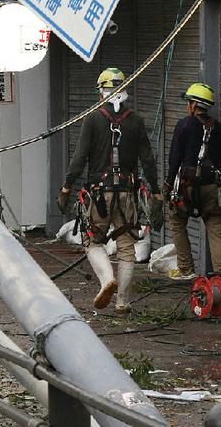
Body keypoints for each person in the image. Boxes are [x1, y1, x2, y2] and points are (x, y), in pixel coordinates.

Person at [57, 67, 162, 313]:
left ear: (100, 91)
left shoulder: (93, 119)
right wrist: (156, 192)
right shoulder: (135, 120)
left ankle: (106, 281)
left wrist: (66, 186)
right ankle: (122, 302)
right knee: (127, 246)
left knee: (92, 241)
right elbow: (147, 159)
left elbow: (80, 157)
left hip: (99, 194)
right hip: (127, 193)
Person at [164, 83, 221, 280]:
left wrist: (167, 185)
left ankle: (186, 269)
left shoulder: (184, 124)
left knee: (176, 221)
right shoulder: (219, 128)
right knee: (217, 231)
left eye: (188, 102)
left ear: (193, 105)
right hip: (211, 187)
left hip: (186, 187)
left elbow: (174, 159)